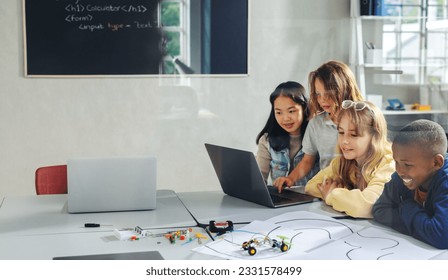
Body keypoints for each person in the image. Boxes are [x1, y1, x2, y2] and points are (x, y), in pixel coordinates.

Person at [274, 60, 364, 192]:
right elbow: (307, 161)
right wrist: (290, 178)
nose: (322, 99)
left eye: (328, 93)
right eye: (318, 94)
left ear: (344, 88)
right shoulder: (316, 123)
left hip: (357, 191)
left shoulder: (364, 120)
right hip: (327, 191)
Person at [305, 100, 395, 218]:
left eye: (353, 135)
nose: (344, 141)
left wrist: (331, 195)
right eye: (341, 132)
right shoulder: (343, 162)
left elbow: (365, 207)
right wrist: (348, 198)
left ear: (374, 136)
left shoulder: (388, 164)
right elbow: (311, 186)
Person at [372, 119, 448, 249]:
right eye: (396, 162)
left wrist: (406, 207)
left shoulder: (445, 181)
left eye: (407, 165)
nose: (399, 170)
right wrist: (424, 227)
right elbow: (379, 210)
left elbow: (442, 237)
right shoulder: (402, 177)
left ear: (436, 163)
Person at [256, 81, 319, 186]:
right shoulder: (267, 140)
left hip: (311, 199)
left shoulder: (317, 135)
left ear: (304, 108)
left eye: (291, 111)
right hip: (281, 199)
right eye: (279, 112)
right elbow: (259, 178)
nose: (285, 119)